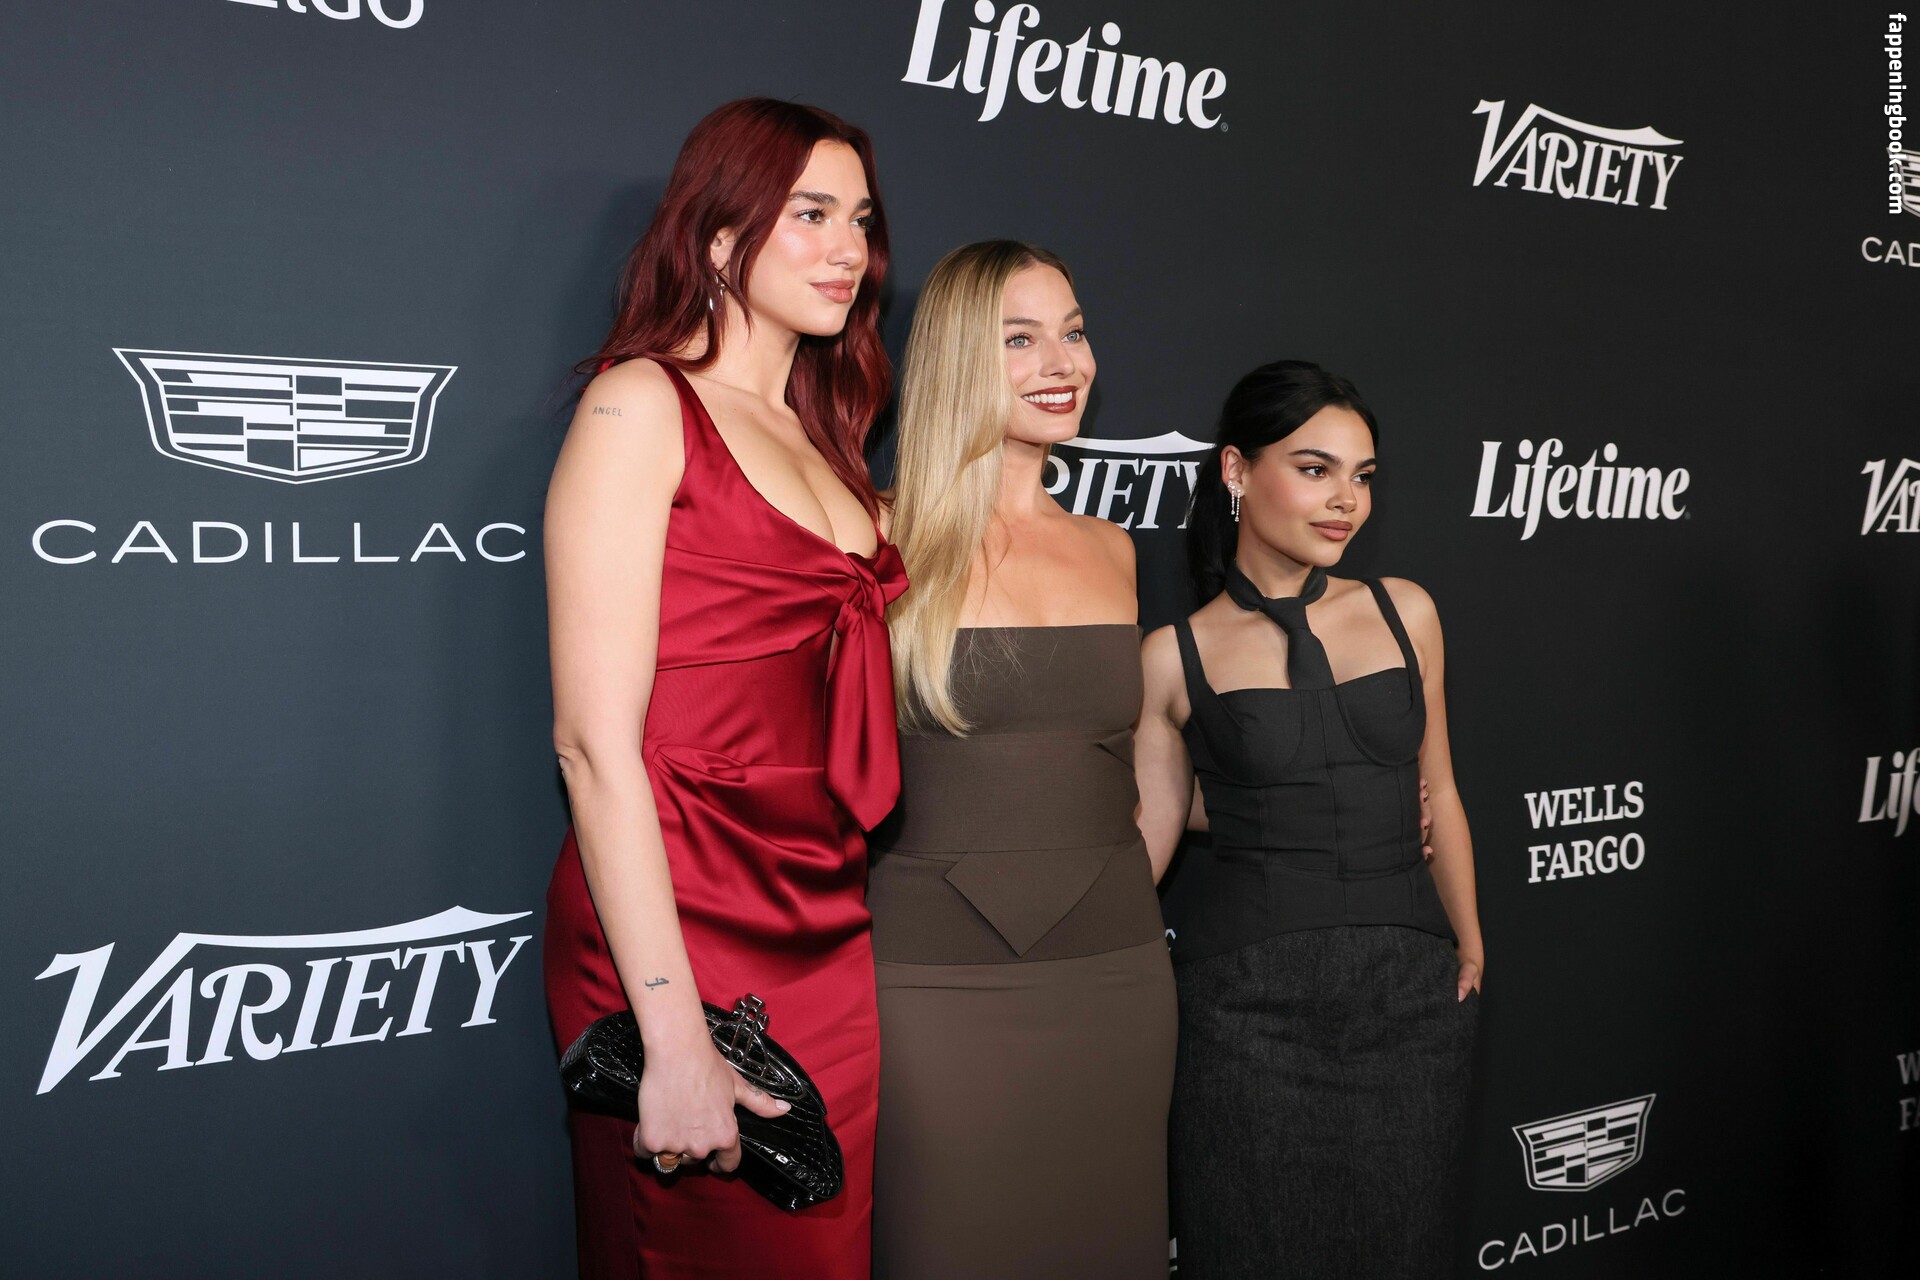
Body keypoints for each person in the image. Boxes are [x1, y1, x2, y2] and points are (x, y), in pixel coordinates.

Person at [541, 98, 903, 1279]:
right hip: (678, 914)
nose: (848, 249)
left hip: (824, 914)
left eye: (861, 220)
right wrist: (670, 1028)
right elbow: (593, 743)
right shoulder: (641, 403)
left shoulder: (830, 436)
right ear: (717, 234)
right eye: (811, 214)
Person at [869, 240, 1177, 1280]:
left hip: (1117, 971)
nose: (1064, 362)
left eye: (1074, 332)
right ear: (958, 356)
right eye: (1021, 338)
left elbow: (1133, 757)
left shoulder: (1113, 548)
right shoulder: (875, 537)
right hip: (930, 980)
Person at [1135, 360, 1485, 1279]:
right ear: (1236, 470)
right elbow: (1146, 846)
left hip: (1409, 999)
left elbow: (1441, 789)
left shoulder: (1406, 611)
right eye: (1314, 468)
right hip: (1246, 1015)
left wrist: (1467, 945)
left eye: (1362, 476)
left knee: (1405, 1252)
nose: (1345, 501)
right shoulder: (1173, 656)